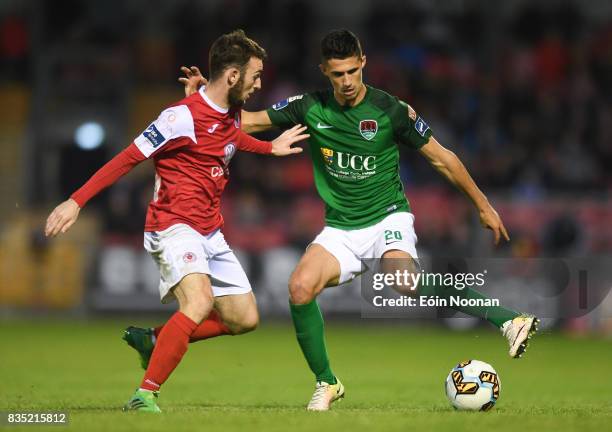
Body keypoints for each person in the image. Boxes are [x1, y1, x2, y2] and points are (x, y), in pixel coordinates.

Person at [180, 29, 539, 411]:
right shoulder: (309, 107)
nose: (347, 82)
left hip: (388, 218)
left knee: (404, 281)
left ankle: (508, 320)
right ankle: (327, 382)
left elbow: (441, 157)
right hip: (340, 228)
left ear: (363, 63)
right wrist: (206, 100)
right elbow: (247, 122)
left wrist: (482, 204)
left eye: (353, 71)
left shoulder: (390, 110)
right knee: (300, 287)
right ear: (324, 72)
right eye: (337, 74)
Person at [44, 29, 309, 413]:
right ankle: (144, 394)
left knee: (244, 317)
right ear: (233, 76)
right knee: (199, 302)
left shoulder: (228, 113)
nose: (259, 84)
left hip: (210, 231)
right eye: (255, 75)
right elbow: (127, 158)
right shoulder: (177, 118)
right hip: (172, 227)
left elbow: (229, 135)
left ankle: (154, 339)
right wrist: (75, 201)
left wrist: (270, 147)